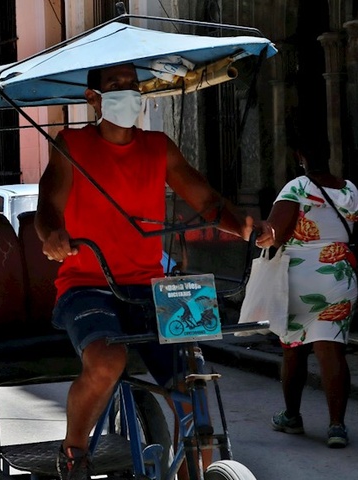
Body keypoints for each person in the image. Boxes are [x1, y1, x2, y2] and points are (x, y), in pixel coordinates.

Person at [35, 63, 254, 479]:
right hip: (87, 285)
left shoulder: (159, 146)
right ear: (93, 98)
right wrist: (52, 235)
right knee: (106, 360)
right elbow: (48, 203)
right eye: (115, 86)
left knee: (195, 380)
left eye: (133, 86)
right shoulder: (71, 144)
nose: (127, 93)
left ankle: (196, 468)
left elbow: (207, 201)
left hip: (154, 287)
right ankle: (74, 453)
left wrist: (246, 227)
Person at [255, 138, 358, 448]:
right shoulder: (350, 190)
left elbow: (274, 234)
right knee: (332, 349)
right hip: (340, 274)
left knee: (294, 349)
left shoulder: (297, 187)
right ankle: (337, 426)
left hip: (300, 277)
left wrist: (259, 234)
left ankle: (292, 416)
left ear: (299, 157)